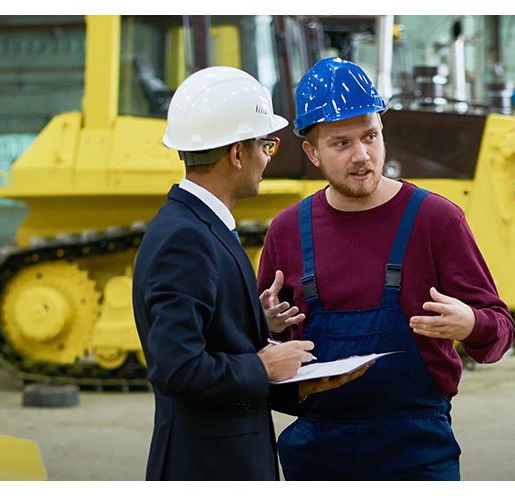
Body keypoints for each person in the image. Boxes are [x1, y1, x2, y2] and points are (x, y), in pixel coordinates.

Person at [257, 57, 515, 481]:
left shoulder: (436, 220)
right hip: (318, 450)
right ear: (312, 153)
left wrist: (470, 323)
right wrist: (266, 324)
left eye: (371, 136)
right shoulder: (287, 231)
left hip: (416, 450)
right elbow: (264, 353)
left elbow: (500, 330)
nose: (362, 156)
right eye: (341, 143)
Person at [132, 66, 365, 481]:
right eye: (266, 145)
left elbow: (204, 339)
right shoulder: (187, 239)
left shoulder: (196, 226)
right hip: (208, 468)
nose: (267, 158)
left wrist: (253, 323)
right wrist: (265, 368)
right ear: (237, 153)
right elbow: (176, 367)